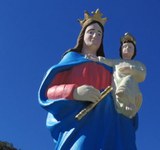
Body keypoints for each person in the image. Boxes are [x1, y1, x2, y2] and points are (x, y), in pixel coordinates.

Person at [38, 9, 138, 150]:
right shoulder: (71, 59)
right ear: (82, 35)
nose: (95, 36)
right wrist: (75, 92)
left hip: (111, 127)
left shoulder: (109, 68)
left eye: (99, 34)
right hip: (81, 127)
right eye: (91, 31)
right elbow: (48, 92)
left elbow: (125, 92)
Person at [87, 33, 146, 119]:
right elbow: (106, 61)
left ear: (134, 51)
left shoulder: (138, 64)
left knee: (128, 79)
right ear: (121, 50)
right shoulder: (117, 62)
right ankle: (122, 98)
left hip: (131, 90)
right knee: (119, 99)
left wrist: (130, 69)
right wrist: (97, 58)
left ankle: (128, 101)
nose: (127, 49)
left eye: (130, 47)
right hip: (116, 87)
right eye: (125, 47)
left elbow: (142, 75)